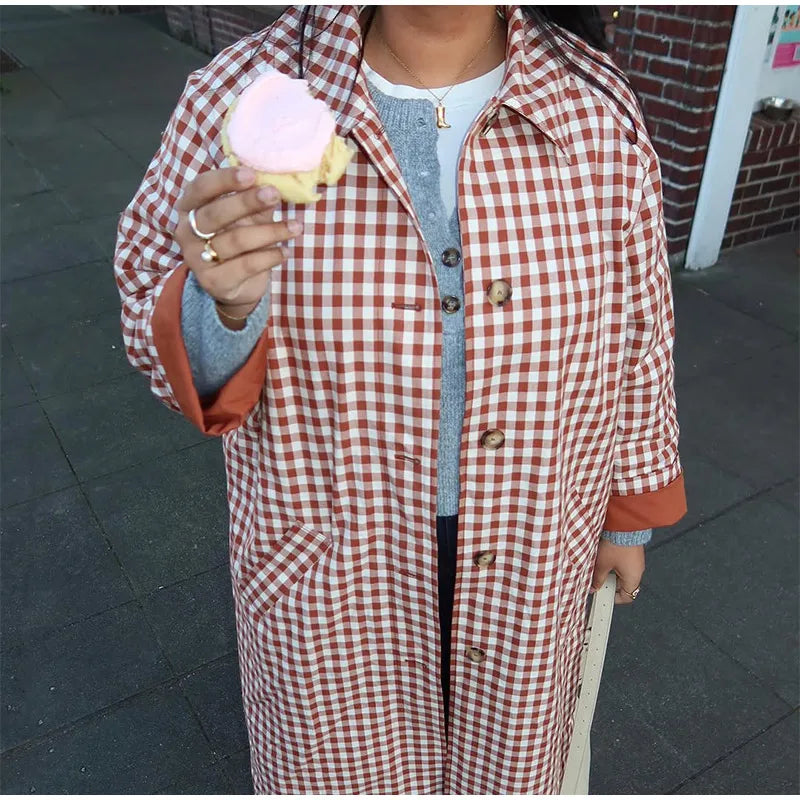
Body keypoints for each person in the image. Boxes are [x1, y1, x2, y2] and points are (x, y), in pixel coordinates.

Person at [113, 5, 687, 794]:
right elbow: (149, 305)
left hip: (536, 541)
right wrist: (223, 308)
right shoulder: (240, 97)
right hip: (335, 560)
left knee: (509, 764)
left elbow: (641, 323)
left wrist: (629, 511)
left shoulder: (596, 106)